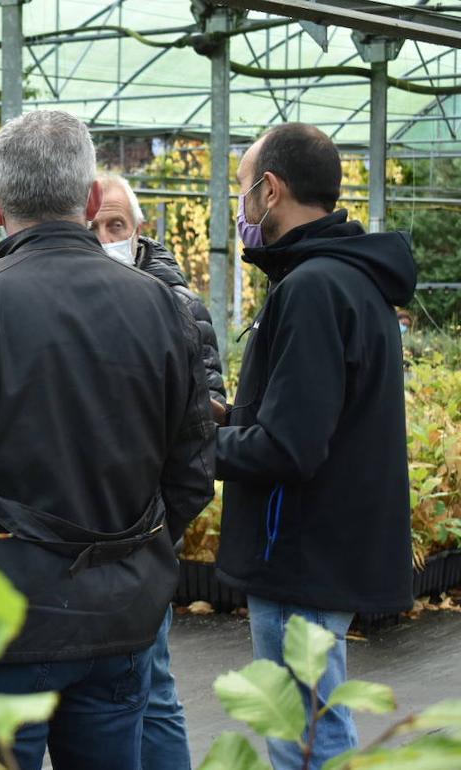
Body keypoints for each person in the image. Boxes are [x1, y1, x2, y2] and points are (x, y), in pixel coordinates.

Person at [0, 110, 215, 770]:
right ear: (91, 200)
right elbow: (192, 472)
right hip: (120, 618)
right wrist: (132, 554)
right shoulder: (169, 307)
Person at [215, 122, 416, 770]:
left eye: (242, 189)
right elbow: (312, 414)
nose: (240, 206)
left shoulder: (312, 287)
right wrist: (226, 418)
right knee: (319, 726)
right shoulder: (350, 279)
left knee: (302, 737)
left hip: (297, 556)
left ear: (270, 190)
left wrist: (189, 448)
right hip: (326, 549)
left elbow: (288, 447)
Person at [92, 173, 228, 770]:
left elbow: (204, 431)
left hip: (143, 534)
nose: (103, 238)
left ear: (140, 231)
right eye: (91, 225)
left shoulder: (176, 304)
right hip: (76, 531)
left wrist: (156, 530)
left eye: (115, 226)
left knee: (152, 686)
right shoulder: (65, 297)